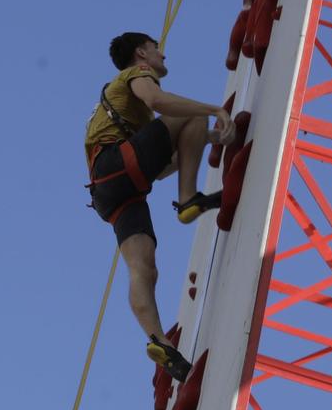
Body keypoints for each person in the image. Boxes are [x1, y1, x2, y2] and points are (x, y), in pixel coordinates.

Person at [85, 31, 233, 381]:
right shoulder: (135, 75)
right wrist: (211, 111)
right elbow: (160, 102)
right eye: (156, 49)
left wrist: (204, 139)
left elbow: (160, 165)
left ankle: (160, 342)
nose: (162, 55)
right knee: (191, 113)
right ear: (141, 53)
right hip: (117, 166)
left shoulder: (128, 117)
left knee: (143, 268)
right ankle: (188, 200)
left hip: (109, 189)